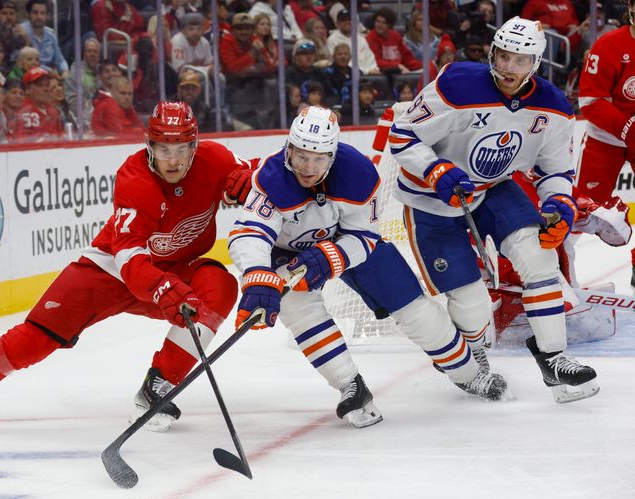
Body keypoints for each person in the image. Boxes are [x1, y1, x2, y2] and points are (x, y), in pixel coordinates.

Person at [0, 101, 256, 432]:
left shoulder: (217, 159)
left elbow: (274, 176)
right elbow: (129, 258)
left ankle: (157, 385)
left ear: (194, 146)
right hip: (112, 271)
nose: (172, 160)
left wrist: (254, 182)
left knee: (219, 286)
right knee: (31, 341)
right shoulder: (135, 179)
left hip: (177, 269)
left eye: (180, 150)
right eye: (163, 149)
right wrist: (160, 288)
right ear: (149, 146)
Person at [228, 106, 510, 429]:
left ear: (332, 156)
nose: (307, 167)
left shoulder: (359, 174)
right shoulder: (272, 176)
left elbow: (365, 236)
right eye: (301, 155)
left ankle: (468, 374)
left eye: (318, 158)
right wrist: (256, 275)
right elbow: (249, 232)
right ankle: (351, 385)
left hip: (351, 245)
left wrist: (330, 256)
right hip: (288, 250)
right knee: (299, 309)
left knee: (412, 309)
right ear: (288, 148)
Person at [388, 17, 599, 403]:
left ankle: (553, 357)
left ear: (536, 63)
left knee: (539, 257)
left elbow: (556, 170)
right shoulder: (457, 84)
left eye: (520, 61)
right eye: (503, 57)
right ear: (492, 53)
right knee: (470, 302)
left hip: (492, 188)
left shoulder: (551, 105)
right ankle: (473, 358)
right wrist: (436, 170)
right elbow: (402, 135)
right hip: (431, 198)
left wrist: (558, 203)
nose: (508, 68)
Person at [572, 2, 635, 285]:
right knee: (578, 210)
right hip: (605, 140)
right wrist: (627, 127)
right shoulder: (609, 44)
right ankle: (556, 273)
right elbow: (590, 100)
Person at [8, 66, 63, 141]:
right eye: (40, 85)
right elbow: (21, 144)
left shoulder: (52, 111)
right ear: (28, 89)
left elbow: (61, 138)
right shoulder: (23, 112)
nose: (45, 89)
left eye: (47, 85)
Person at [21, 0, 68, 76]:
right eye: (35, 13)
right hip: (27, 75)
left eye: (42, 13)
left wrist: (65, 71)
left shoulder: (51, 35)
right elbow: (17, 61)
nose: (39, 16)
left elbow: (60, 60)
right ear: (28, 14)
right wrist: (48, 71)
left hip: (47, 77)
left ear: (47, 16)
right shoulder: (22, 31)